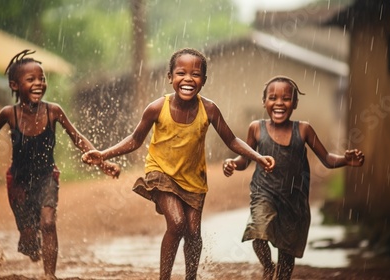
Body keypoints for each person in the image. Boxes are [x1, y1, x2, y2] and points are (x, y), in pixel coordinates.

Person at [82, 48, 275, 280]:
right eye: (181, 73)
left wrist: (258, 157)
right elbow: (135, 140)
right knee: (177, 223)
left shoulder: (209, 109)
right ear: (170, 77)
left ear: (203, 80)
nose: (188, 79)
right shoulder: (156, 108)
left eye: (195, 74)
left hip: (194, 179)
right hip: (160, 172)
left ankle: (190, 277)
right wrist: (103, 154)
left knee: (193, 232)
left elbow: (232, 140)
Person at [0, 49, 120, 280]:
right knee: (28, 236)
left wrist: (101, 161)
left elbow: (78, 138)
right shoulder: (9, 114)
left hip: (47, 177)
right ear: (15, 85)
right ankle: (31, 245)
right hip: (18, 182)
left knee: (48, 222)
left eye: (42, 78)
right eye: (31, 79)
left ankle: (50, 275)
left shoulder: (53, 111)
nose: (39, 83)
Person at [222, 76, 365, 280]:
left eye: (286, 98)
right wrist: (232, 164)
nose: (279, 103)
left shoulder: (304, 129)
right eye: (273, 97)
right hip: (264, 193)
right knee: (257, 232)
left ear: (295, 103)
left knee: (287, 252)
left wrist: (345, 160)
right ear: (264, 102)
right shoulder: (256, 128)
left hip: (294, 200)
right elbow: (245, 160)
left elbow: (326, 159)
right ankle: (268, 267)